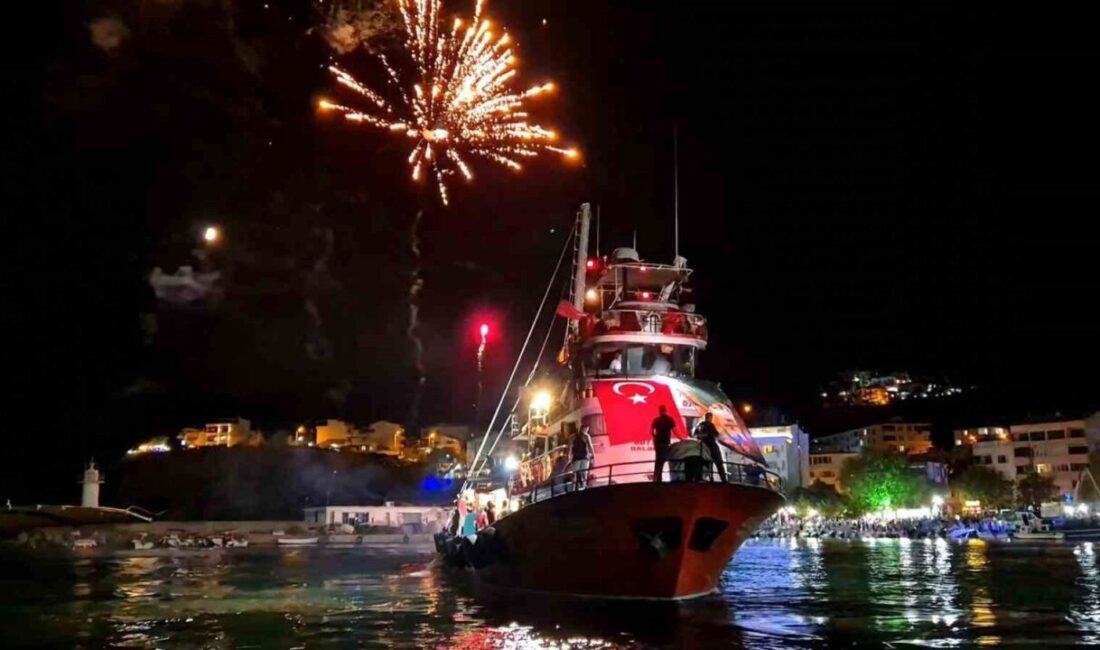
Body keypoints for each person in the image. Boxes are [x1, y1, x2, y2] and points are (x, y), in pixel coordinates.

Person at [693, 412, 728, 482]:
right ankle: (723, 479)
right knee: (719, 463)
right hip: (712, 446)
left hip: (704, 448)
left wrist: (702, 436)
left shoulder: (700, 425)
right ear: (710, 417)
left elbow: (695, 434)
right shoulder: (710, 425)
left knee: (708, 464)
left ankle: (710, 478)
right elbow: (716, 434)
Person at [651, 405, 676, 482]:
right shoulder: (670, 419)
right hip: (665, 442)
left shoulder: (656, 420)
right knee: (662, 459)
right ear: (666, 410)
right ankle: (658, 478)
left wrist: (655, 438)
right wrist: (681, 439)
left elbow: (652, 431)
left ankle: (657, 478)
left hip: (658, 442)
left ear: (659, 411)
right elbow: (675, 431)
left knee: (658, 460)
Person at [570, 424, 595, 490]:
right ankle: (583, 487)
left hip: (576, 458)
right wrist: (593, 456)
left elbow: (569, 447)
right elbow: (590, 447)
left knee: (575, 474)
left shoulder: (573, 436)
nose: (587, 431)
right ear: (585, 428)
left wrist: (568, 456)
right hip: (585, 458)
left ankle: (573, 488)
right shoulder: (586, 436)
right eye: (587, 429)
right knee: (584, 473)